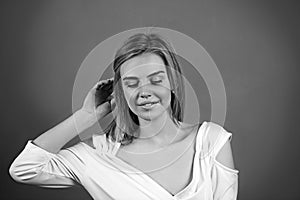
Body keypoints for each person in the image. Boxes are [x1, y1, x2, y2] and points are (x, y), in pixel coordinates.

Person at [9, 33, 239, 200]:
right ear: (121, 92)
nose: (145, 91)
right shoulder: (98, 156)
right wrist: (86, 116)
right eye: (131, 84)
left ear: (173, 84)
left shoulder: (210, 141)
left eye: (156, 80)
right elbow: (24, 168)